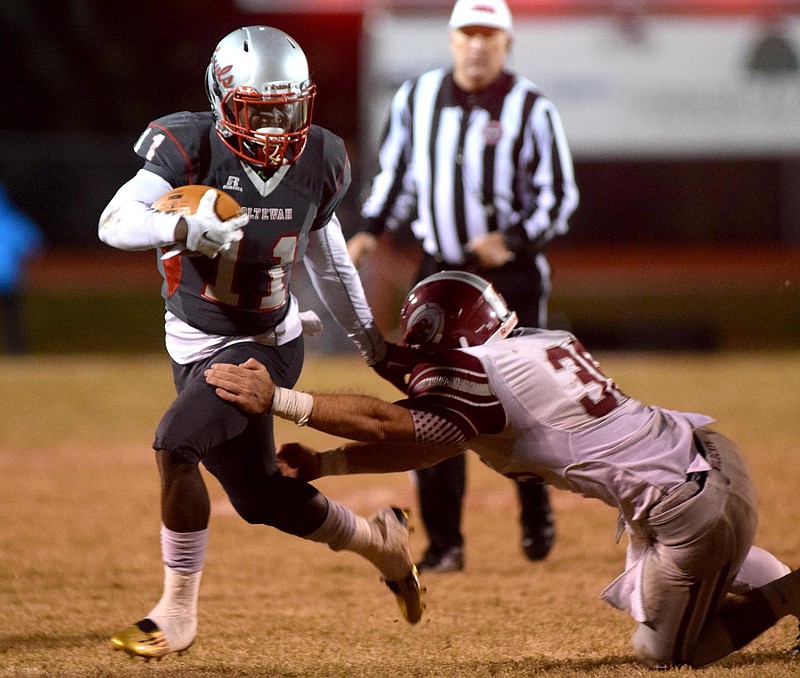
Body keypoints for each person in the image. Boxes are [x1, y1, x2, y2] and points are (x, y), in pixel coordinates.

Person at [205, 270, 800, 669]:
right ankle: (782, 588)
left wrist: (283, 400)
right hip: (709, 461)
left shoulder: (482, 374)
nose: (427, 367)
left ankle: (789, 593)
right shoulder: (533, 347)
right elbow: (430, 438)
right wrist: (328, 463)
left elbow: (392, 423)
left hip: (689, 509)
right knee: (700, 572)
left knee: (665, 653)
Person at [98, 25, 423, 660]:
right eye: (260, 111)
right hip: (191, 343)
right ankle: (380, 542)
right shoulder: (187, 146)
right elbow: (114, 221)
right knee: (259, 497)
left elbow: (329, 264)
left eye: (288, 109)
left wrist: (373, 346)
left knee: (176, 445)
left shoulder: (321, 160)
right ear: (223, 102)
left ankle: (177, 612)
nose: (276, 128)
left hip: (267, 342)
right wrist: (182, 218)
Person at [347, 0, 579, 572]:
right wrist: (370, 231)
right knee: (433, 403)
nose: (478, 44)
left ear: (507, 44)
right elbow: (395, 175)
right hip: (440, 276)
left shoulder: (531, 107)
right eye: (468, 33)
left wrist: (516, 238)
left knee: (521, 402)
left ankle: (534, 499)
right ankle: (446, 543)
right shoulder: (416, 99)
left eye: (490, 34)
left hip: (511, 276)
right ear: (451, 40)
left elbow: (559, 196)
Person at [0, 183, 44, 354]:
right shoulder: (12, 220)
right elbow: (33, 244)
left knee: (13, 317)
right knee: (13, 319)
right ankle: (16, 351)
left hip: (9, 280)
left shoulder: (12, 220)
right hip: (10, 279)